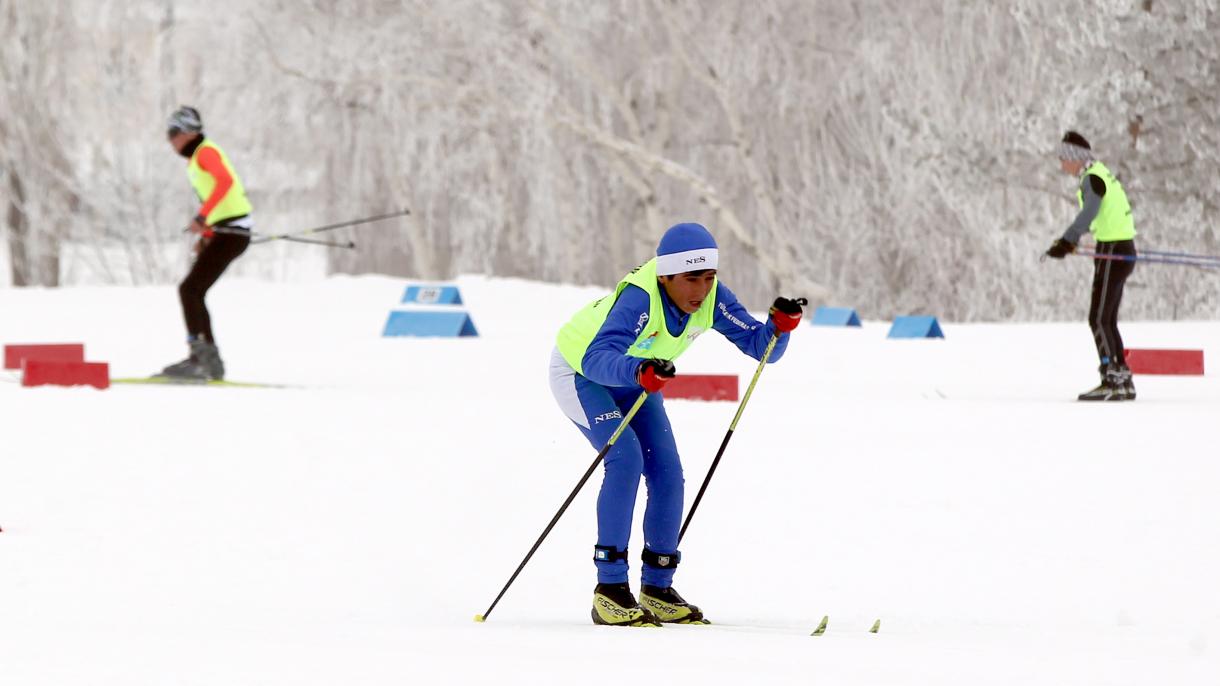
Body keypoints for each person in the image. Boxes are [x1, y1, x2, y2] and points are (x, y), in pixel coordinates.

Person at [549, 222, 804, 627]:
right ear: (665, 275)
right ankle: (610, 589)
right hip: (582, 374)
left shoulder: (711, 298)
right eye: (690, 279)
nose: (700, 291)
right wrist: (640, 371)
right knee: (627, 460)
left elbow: (761, 347)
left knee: (668, 472)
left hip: (637, 375)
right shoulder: (639, 298)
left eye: (709, 277)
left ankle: (657, 587)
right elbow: (598, 356)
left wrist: (780, 328)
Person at [158, 106, 254, 380]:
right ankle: (206, 358)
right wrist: (207, 233)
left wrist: (202, 217)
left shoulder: (206, 152)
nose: (170, 141)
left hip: (233, 233)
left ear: (187, 133)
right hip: (225, 231)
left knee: (190, 290)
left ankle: (202, 358)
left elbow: (224, 182)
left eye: (172, 133)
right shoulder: (198, 157)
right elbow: (222, 199)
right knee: (193, 290)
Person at [1044, 131, 1138, 401]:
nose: (1062, 164)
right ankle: (1122, 379)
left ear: (1075, 158)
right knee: (1106, 318)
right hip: (1122, 248)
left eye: (1064, 158)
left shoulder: (1092, 179)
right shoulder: (1099, 172)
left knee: (1097, 318)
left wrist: (1067, 240)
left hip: (1112, 250)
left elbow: (1089, 212)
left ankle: (1112, 379)